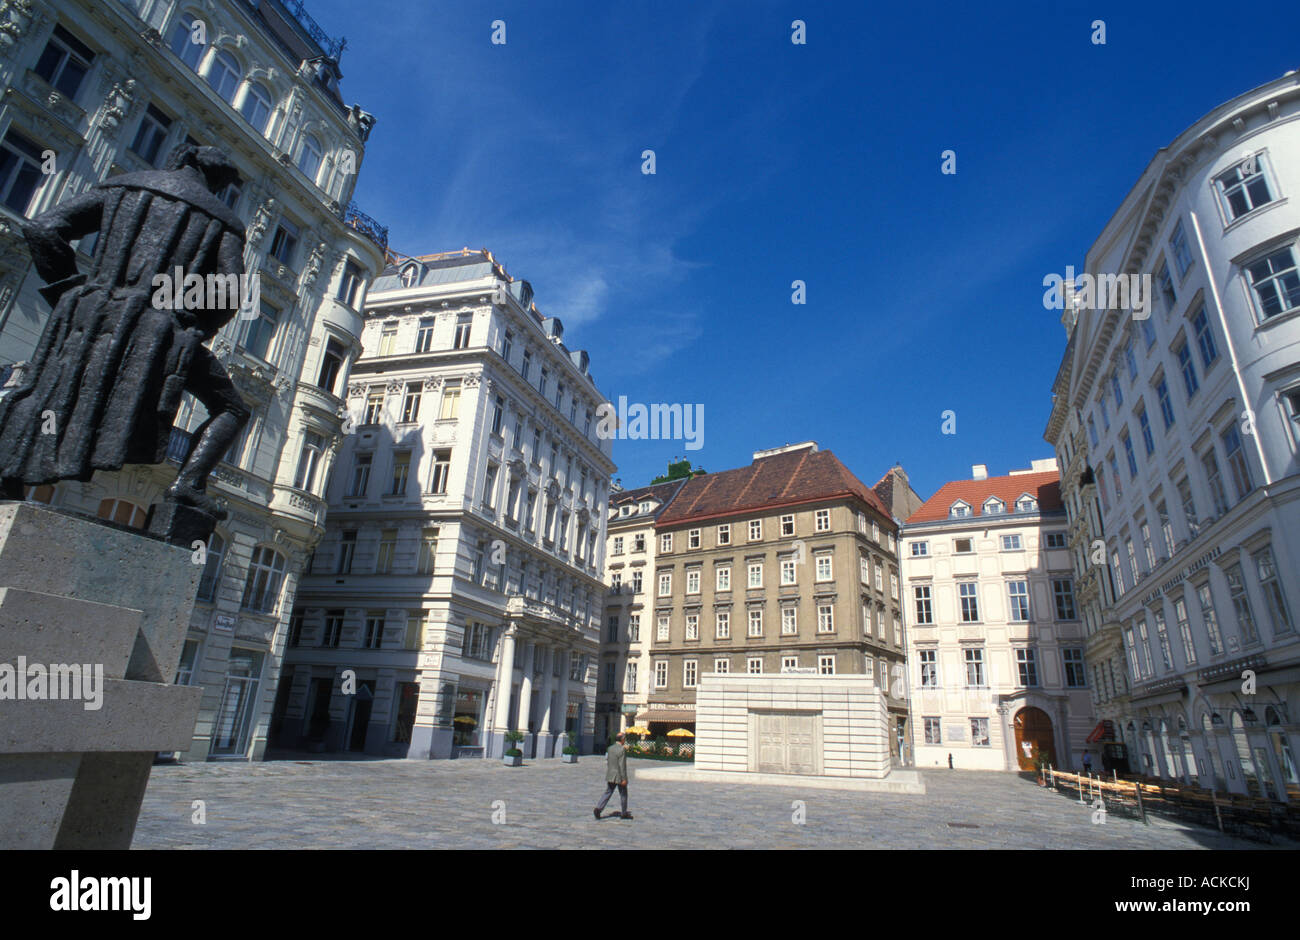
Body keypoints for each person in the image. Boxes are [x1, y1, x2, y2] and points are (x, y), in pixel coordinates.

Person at [0, 144, 250, 516]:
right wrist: (195, 326)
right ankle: (187, 486)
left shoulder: (124, 185)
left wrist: (69, 289)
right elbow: (231, 289)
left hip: (89, 310)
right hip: (160, 326)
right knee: (232, 408)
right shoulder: (223, 220)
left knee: (50, 386)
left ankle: (8, 469)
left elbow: (43, 227)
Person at [593, 731, 631, 820]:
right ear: (622, 740)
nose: (624, 740)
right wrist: (624, 778)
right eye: (624, 739)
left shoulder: (610, 748)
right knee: (623, 794)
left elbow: (609, 762)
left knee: (608, 792)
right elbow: (622, 765)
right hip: (619, 776)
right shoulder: (622, 749)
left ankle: (598, 808)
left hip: (610, 774)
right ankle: (624, 813)